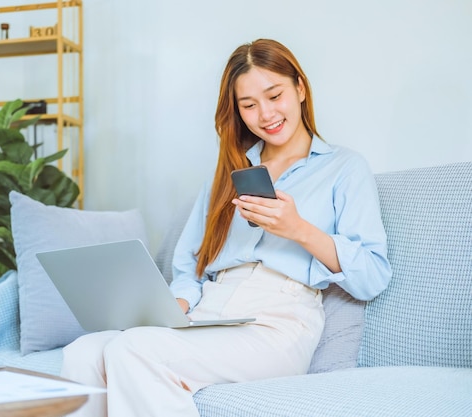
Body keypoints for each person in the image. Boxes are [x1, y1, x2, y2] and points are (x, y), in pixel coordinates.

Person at [60, 38, 392, 417]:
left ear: (300, 88)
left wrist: (298, 228)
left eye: (274, 95)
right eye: (249, 105)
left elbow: (373, 275)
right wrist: (175, 306)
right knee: (82, 352)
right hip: (210, 312)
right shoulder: (227, 176)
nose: (265, 114)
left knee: (132, 350)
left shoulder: (344, 168)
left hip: (278, 322)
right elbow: (190, 267)